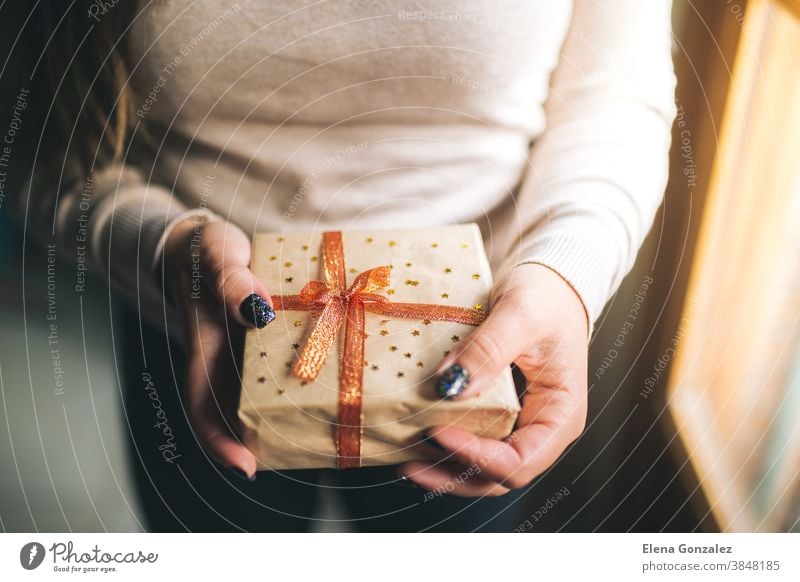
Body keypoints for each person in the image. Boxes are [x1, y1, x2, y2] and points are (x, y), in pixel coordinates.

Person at [18, 0, 676, 531]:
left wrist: (566, 275)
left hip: (476, 348)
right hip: (200, 339)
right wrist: (166, 248)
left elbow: (616, 98)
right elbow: (38, 142)